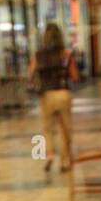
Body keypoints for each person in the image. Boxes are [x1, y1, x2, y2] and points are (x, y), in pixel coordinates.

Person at [29, 23, 76, 174]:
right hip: (63, 93)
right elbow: (75, 77)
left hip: (46, 95)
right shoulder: (66, 54)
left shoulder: (38, 55)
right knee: (65, 129)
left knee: (47, 128)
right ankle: (64, 162)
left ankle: (49, 155)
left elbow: (30, 74)